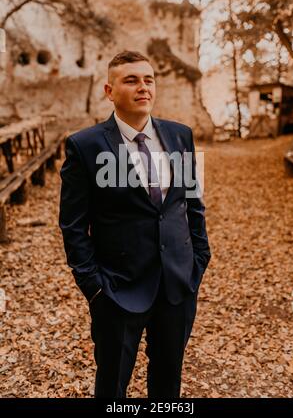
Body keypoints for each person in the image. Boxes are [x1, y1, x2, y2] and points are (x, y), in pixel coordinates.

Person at [59, 50, 211, 398]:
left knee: (168, 383)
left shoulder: (180, 136)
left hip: (177, 285)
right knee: (112, 386)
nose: (143, 87)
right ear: (109, 91)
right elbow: (72, 224)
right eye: (131, 80)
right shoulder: (84, 146)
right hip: (117, 289)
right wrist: (94, 286)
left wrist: (199, 259)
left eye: (148, 79)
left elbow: (193, 203)